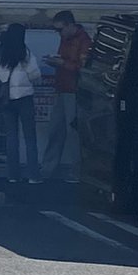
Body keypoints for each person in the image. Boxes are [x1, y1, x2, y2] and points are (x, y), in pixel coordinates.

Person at [41, 10, 92, 183]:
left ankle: (77, 170)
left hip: (74, 90)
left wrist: (62, 63)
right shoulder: (66, 38)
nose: (58, 33)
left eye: (60, 29)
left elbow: (83, 68)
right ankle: (48, 168)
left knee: (73, 133)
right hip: (63, 88)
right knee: (55, 130)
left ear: (70, 25)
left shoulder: (84, 41)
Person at [0, 23, 42, 183]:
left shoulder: (1, 52)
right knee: (30, 137)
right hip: (24, 97)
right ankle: (33, 175)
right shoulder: (24, 52)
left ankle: (12, 175)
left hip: (7, 99)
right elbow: (34, 74)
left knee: (11, 137)